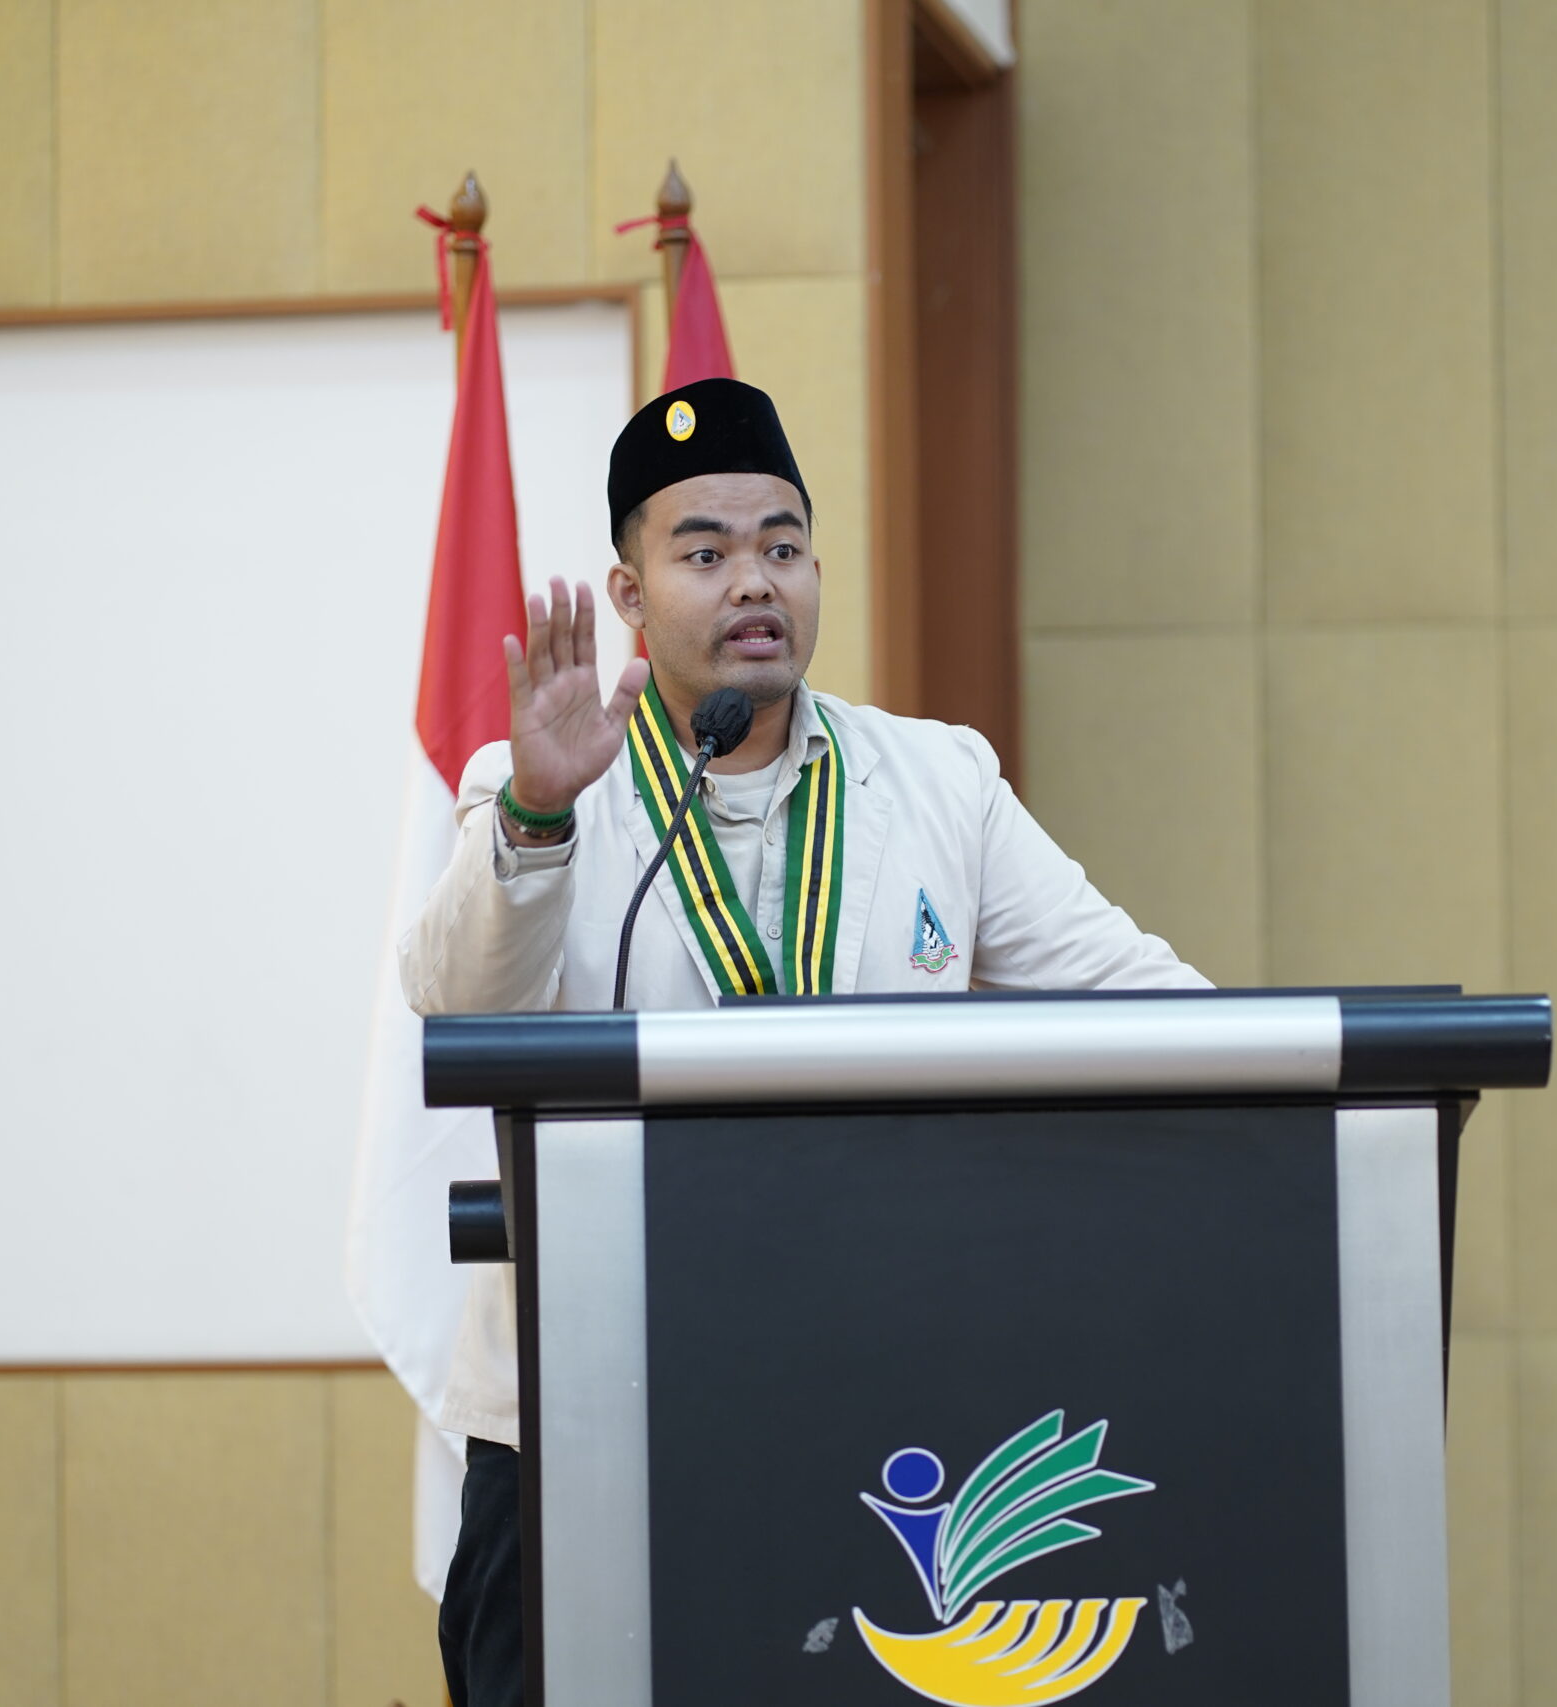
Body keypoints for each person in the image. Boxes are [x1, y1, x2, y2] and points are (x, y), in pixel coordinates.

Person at [403, 375, 1206, 1707]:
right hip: (586, 1416)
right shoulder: (536, 785)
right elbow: (459, 1003)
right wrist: (540, 814)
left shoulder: (940, 781)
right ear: (629, 594)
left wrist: (1290, 1077)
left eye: (782, 546)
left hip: (862, 1402)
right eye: (705, 553)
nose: (753, 582)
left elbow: (1142, 995)